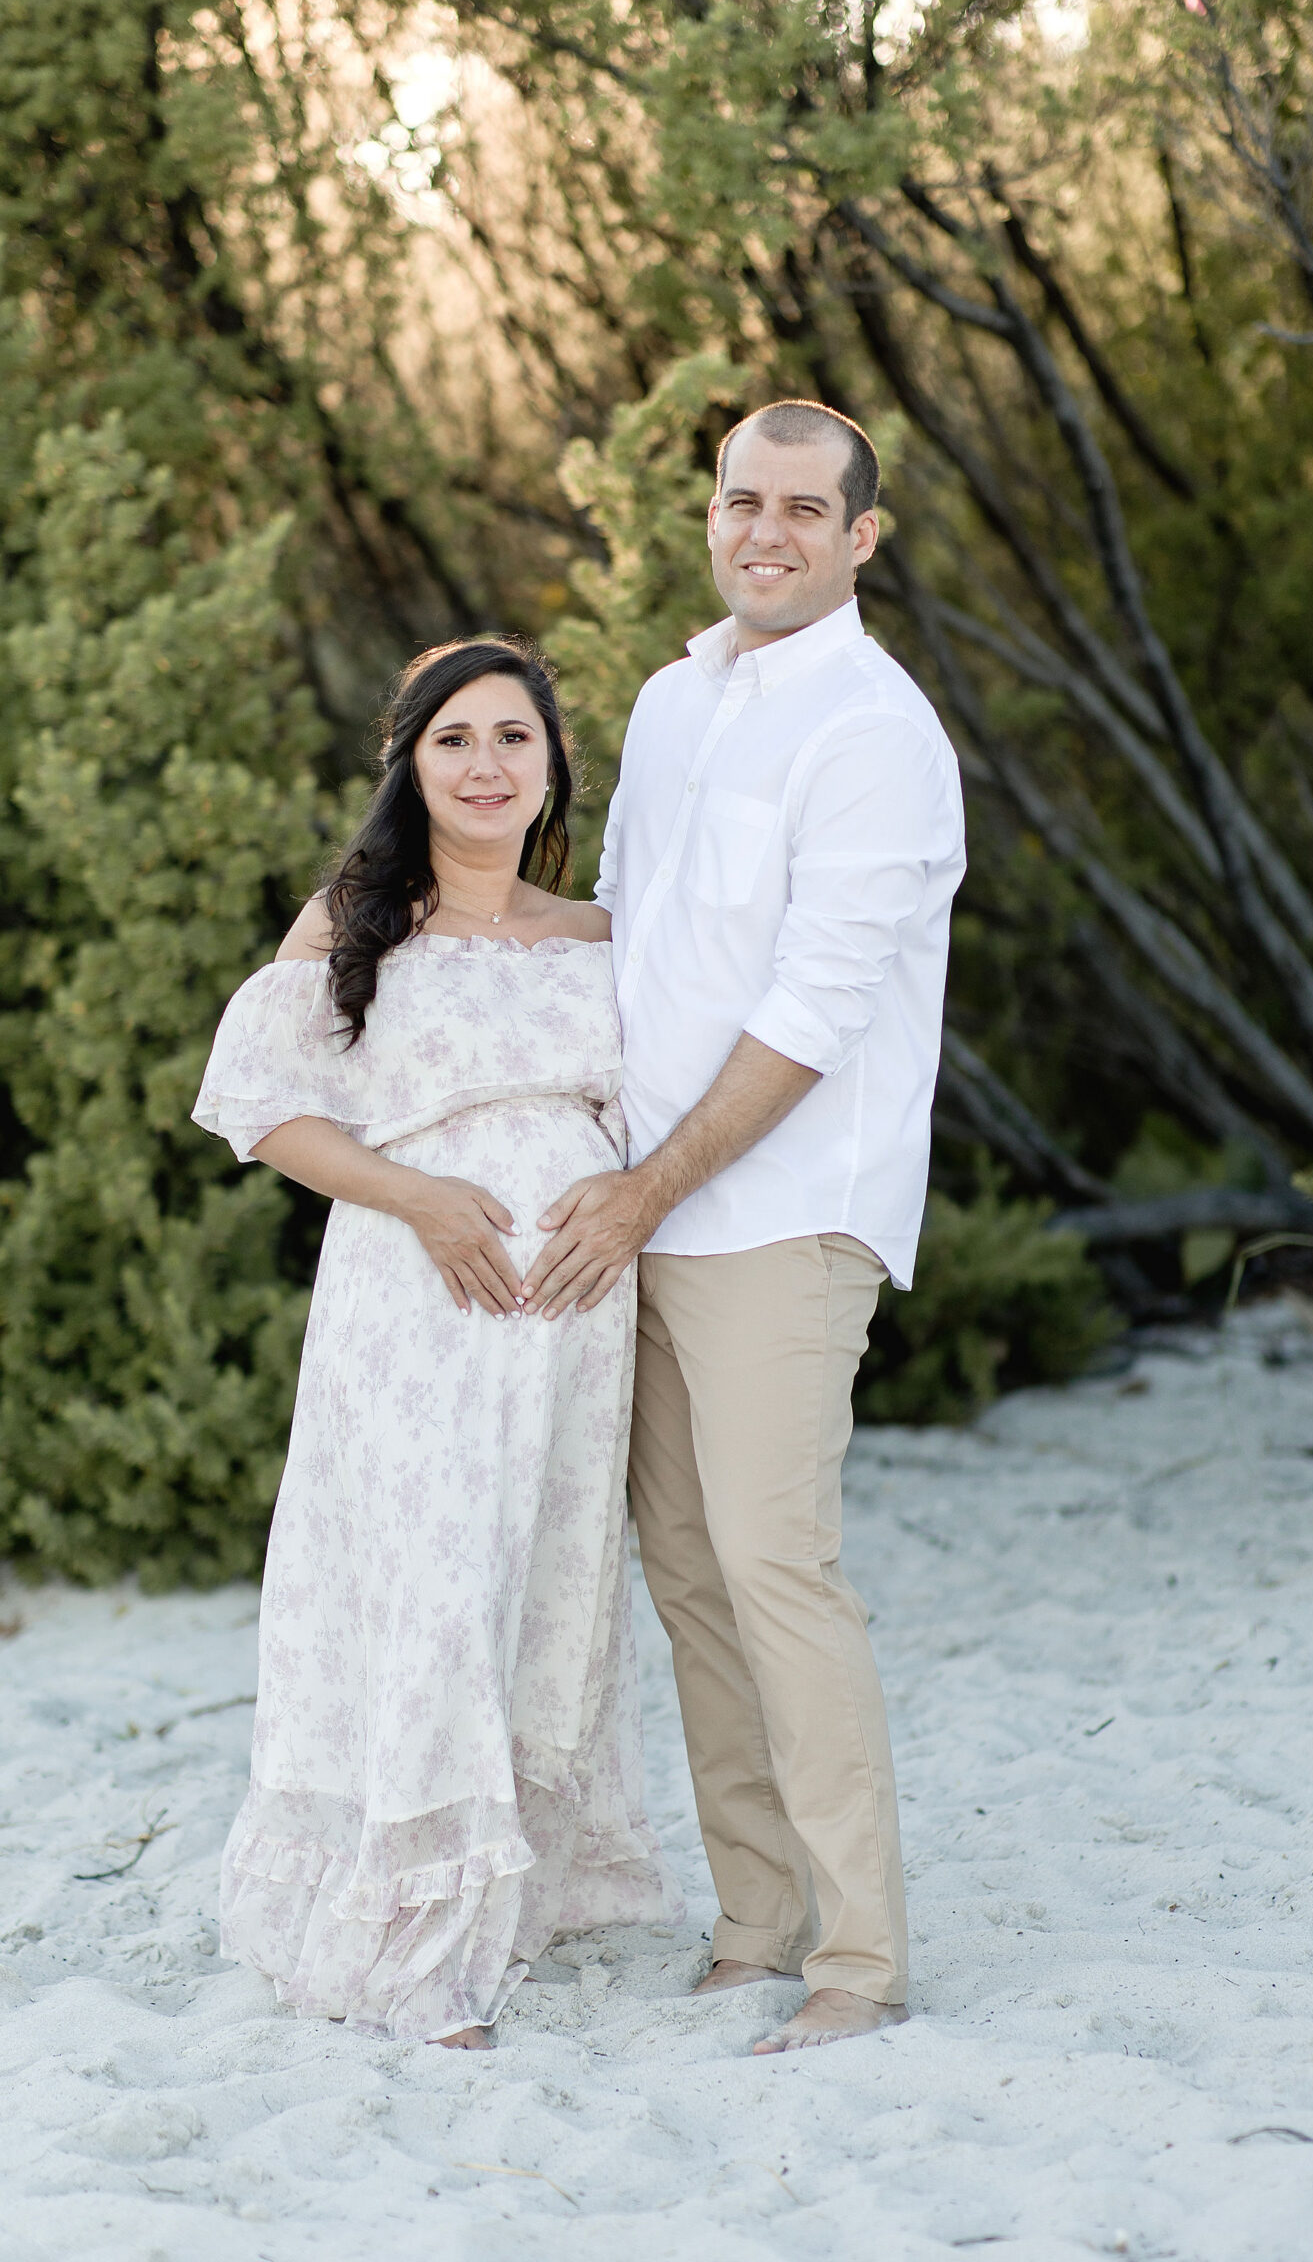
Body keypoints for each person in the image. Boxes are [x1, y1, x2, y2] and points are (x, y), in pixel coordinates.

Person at [522, 400, 965, 2053]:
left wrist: (647, 1185)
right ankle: (758, 1920)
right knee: (693, 1581)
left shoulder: (874, 731)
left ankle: (858, 1964)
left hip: (782, 1215)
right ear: (709, 520)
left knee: (782, 1572)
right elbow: (632, 932)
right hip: (648, 1209)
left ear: (861, 537)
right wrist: (427, 908)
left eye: (803, 506)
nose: (764, 528)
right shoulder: (673, 694)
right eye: (739, 500)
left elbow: (811, 1011)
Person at [192, 639, 679, 2049]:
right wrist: (417, 1198)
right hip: (417, 1303)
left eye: (512, 739)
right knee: (432, 1582)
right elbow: (257, 1101)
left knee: (547, 1579)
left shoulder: (602, 933)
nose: (484, 765)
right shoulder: (358, 916)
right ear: (411, 761)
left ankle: (512, 1900)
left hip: (577, 1320)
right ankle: (411, 1947)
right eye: (454, 739)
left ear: (552, 768)